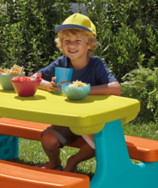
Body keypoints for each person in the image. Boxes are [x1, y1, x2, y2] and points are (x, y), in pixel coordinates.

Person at [31, 13, 121, 173]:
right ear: (61, 44)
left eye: (77, 41)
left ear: (89, 44)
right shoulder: (61, 63)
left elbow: (116, 88)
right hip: (67, 118)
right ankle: (54, 163)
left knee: (100, 144)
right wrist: (48, 86)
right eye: (67, 42)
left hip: (93, 121)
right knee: (48, 141)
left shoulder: (96, 65)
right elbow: (33, 78)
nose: (71, 45)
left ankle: (73, 161)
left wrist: (85, 90)